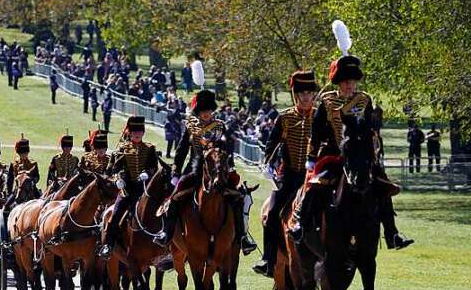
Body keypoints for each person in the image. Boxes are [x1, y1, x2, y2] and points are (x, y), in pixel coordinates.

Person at [291, 53, 413, 251]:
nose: (350, 86)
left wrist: (373, 144)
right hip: (333, 155)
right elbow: (316, 131)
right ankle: (301, 225)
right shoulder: (327, 101)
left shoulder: (364, 100)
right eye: (346, 82)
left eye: (353, 82)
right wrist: (312, 158)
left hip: (360, 155)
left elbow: (373, 128)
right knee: (314, 185)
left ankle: (392, 233)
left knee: (383, 185)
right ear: (339, 83)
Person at [160, 90, 257, 255]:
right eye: (203, 111)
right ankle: (166, 234)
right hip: (194, 169)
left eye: (209, 110)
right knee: (174, 198)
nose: (206, 114)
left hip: (218, 169)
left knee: (239, 196)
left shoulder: (220, 126)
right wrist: (176, 170)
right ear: (198, 111)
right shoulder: (191, 126)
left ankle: (242, 237)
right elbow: (182, 150)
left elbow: (227, 150)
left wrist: (230, 166)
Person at [252, 71, 317, 277]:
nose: (306, 97)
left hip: (312, 175)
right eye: (302, 94)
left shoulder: (319, 116)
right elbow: (272, 143)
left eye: (309, 93)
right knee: (272, 213)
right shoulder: (286, 117)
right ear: (296, 95)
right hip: (289, 175)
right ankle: (268, 260)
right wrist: (268, 164)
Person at [98, 116, 158, 259]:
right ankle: (108, 245)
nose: (137, 134)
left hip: (144, 189)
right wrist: (117, 180)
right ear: (129, 133)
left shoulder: (150, 148)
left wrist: (147, 173)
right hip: (127, 189)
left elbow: (154, 167)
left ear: (143, 133)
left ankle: (164, 241)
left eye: (140, 131)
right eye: (134, 132)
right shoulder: (121, 149)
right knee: (115, 215)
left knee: (161, 212)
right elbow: (111, 170)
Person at [5, 138, 40, 210]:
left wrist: (32, 181)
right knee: (6, 206)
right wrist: (9, 193)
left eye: (25, 153)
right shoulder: (14, 164)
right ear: (19, 153)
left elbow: (37, 177)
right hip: (18, 189)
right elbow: (10, 180)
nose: (24, 155)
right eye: (22, 153)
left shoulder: (33, 163)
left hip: (31, 188)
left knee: (41, 204)